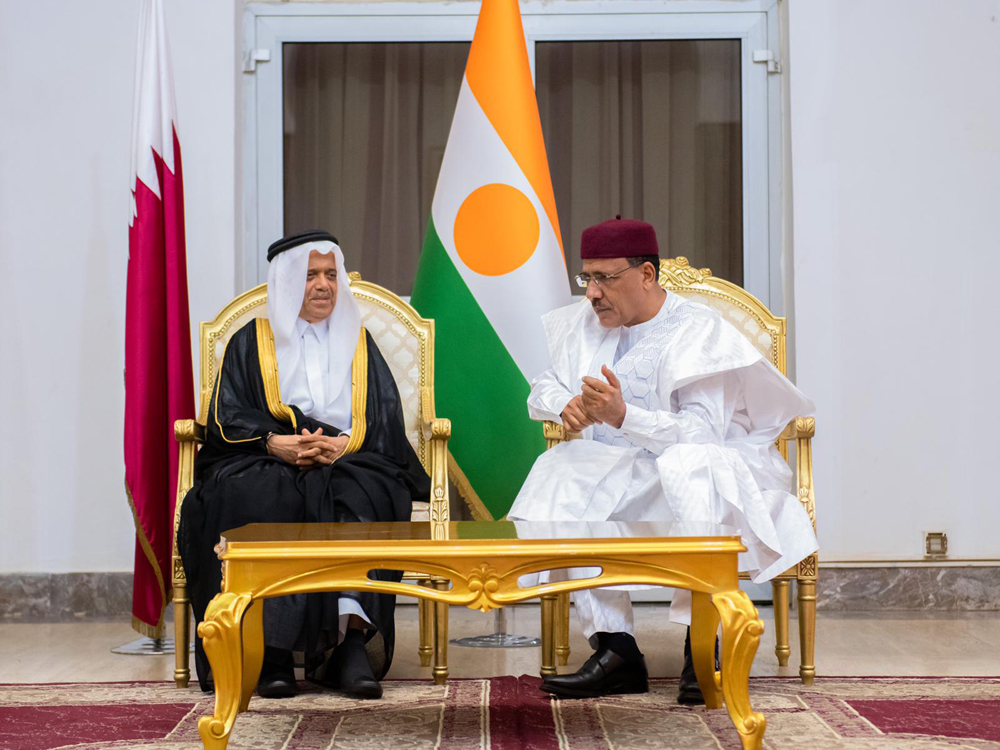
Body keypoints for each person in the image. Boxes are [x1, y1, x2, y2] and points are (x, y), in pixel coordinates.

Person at [508, 217, 817, 702]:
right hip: (623, 471)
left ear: (646, 275)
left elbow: (701, 433)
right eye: (586, 278)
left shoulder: (698, 332)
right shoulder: (585, 323)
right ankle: (615, 652)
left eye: (605, 278)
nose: (591, 293)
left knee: (690, 467)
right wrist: (562, 404)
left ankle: (704, 645)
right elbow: (543, 386)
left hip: (696, 475)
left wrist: (623, 415)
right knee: (559, 470)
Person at [179, 230, 429, 700]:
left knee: (366, 496)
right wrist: (275, 442)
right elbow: (226, 416)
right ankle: (270, 651)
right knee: (258, 493)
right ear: (287, 282)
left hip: (348, 460)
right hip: (267, 456)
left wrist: (341, 447)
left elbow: (384, 419)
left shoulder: (359, 342)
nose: (323, 286)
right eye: (311, 275)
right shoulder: (249, 341)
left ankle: (350, 642)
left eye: (331, 275)